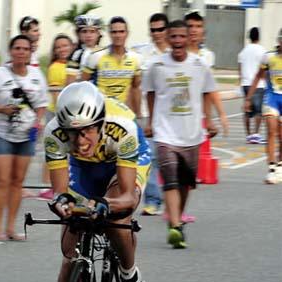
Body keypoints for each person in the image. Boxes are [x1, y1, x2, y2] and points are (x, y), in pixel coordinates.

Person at [45, 82, 149, 282]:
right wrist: (63, 204)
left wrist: (106, 204)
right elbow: (60, 192)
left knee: (116, 220)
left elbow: (127, 196)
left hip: (119, 164)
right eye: (72, 133)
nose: (80, 141)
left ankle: (129, 277)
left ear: (100, 123)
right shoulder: (53, 133)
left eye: (87, 131)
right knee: (69, 253)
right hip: (84, 169)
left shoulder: (121, 127)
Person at [143, 20, 217, 249]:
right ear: (167, 38)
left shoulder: (199, 65)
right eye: (172, 37)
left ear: (188, 39)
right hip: (165, 133)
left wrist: (209, 119)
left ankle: (176, 216)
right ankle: (175, 226)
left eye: (181, 37)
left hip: (192, 134)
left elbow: (207, 92)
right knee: (171, 180)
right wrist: (151, 121)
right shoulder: (156, 65)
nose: (177, 41)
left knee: (186, 184)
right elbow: (151, 93)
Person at [0, 35, 48, 241]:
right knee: (3, 180)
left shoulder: (36, 75)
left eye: (25, 49)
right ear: (10, 51)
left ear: (30, 52)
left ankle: (11, 227)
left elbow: (42, 103)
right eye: (17, 48)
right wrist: (2, 109)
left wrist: (38, 121)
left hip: (26, 134)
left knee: (18, 182)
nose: (21, 52)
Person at [134, 13, 170, 217]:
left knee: (169, 161)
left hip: (171, 116)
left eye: (160, 29)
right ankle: (153, 200)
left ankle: (172, 198)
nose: (157, 33)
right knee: (151, 157)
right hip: (147, 114)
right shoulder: (142, 54)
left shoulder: (174, 53)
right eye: (153, 29)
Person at [82, 16, 142, 118]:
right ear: (109, 34)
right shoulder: (96, 56)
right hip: (100, 113)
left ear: (127, 33)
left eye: (121, 31)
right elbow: (83, 85)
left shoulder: (135, 58)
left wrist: (138, 113)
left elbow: (135, 87)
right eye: (114, 32)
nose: (118, 35)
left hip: (123, 112)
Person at [37, 34, 74, 200]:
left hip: (73, 112)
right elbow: (55, 94)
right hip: (57, 112)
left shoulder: (74, 65)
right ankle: (46, 185)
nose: (62, 49)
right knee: (53, 148)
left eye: (65, 46)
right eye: (58, 47)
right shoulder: (55, 67)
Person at [244, 28, 282, 184]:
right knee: (271, 132)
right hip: (272, 98)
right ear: (279, 41)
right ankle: (272, 169)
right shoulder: (269, 57)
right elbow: (257, 77)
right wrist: (248, 98)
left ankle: (280, 166)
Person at [185, 10, 229, 136]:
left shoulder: (207, 56)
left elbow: (209, 90)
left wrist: (219, 115)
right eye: (190, 26)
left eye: (198, 27)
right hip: (177, 116)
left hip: (198, 117)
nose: (194, 30)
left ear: (203, 31)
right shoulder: (176, 54)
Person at [238, 27, 266, 144]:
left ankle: (249, 135)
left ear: (249, 37)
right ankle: (256, 133)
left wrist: (241, 81)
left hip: (246, 83)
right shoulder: (262, 51)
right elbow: (264, 69)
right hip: (258, 84)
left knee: (247, 110)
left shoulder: (243, 52)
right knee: (258, 111)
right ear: (258, 37)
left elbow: (239, 69)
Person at [65, 14, 103, 85]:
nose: (88, 35)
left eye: (92, 31)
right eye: (84, 31)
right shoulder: (76, 55)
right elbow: (70, 82)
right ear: (78, 34)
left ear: (98, 33)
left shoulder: (105, 52)